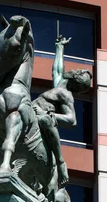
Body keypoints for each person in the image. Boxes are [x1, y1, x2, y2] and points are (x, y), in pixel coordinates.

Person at [32, 36, 91, 186]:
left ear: (74, 78)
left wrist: (52, 115)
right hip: (31, 109)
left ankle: (60, 162)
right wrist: (59, 47)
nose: (73, 69)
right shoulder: (60, 86)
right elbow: (57, 70)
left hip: (41, 118)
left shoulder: (66, 95)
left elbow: (72, 120)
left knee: (46, 121)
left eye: (77, 71)